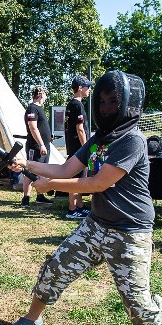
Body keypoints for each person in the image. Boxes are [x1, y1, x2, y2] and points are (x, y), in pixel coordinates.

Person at [6, 70, 162, 325]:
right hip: (96, 225)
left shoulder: (132, 141)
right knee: (55, 268)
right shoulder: (98, 139)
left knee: (138, 304)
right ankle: (33, 316)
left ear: (129, 105)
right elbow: (68, 168)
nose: (106, 107)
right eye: (103, 101)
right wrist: (27, 164)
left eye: (113, 102)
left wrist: (49, 186)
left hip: (130, 232)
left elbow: (97, 183)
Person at [64, 75, 92, 219]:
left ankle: (79, 206)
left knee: (80, 178)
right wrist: (86, 147)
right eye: (88, 87)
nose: (90, 90)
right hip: (78, 148)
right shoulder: (77, 105)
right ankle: (72, 209)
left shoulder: (71, 104)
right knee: (76, 179)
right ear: (80, 88)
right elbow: (80, 128)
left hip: (74, 148)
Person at [21, 85, 54, 207]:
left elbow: (40, 127)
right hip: (35, 146)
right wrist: (41, 144)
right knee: (30, 170)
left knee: (42, 170)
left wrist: (48, 138)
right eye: (45, 94)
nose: (45, 96)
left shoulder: (39, 109)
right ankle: (26, 198)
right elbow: (32, 127)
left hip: (44, 145)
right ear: (40, 95)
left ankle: (40, 196)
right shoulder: (32, 108)